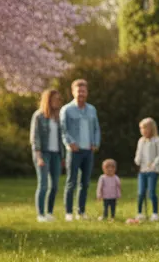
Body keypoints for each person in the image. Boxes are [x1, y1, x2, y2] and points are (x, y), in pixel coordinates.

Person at [60, 78, 101, 221]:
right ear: (73, 92)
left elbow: (96, 128)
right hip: (74, 151)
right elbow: (63, 130)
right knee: (71, 182)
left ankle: (81, 212)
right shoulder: (66, 109)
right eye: (78, 91)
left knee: (85, 183)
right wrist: (70, 143)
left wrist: (95, 142)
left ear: (87, 92)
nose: (81, 93)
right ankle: (69, 213)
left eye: (83, 91)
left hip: (88, 151)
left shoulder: (92, 109)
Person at [29, 88, 65, 222]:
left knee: (54, 186)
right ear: (48, 100)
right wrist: (38, 157)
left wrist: (62, 156)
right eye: (55, 99)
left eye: (59, 99)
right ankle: (40, 214)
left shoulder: (59, 117)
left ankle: (49, 212)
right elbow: (35, 138)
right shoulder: (38, 116)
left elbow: (62, 138)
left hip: (56, 154)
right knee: (43, 184)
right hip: (42, 153)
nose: (58, 101)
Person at [134, 116, 159, 222]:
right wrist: (137, 160)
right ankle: (139, 213)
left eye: (145, 128)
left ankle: (155, 213)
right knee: (141, 192)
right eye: (141, 129)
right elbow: (138, 153)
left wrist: (154, 164)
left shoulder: (157, 140)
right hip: (142, 171)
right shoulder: (141, 141)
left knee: (151, 191)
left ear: (151, 129)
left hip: (153, 170)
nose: (143, 131)